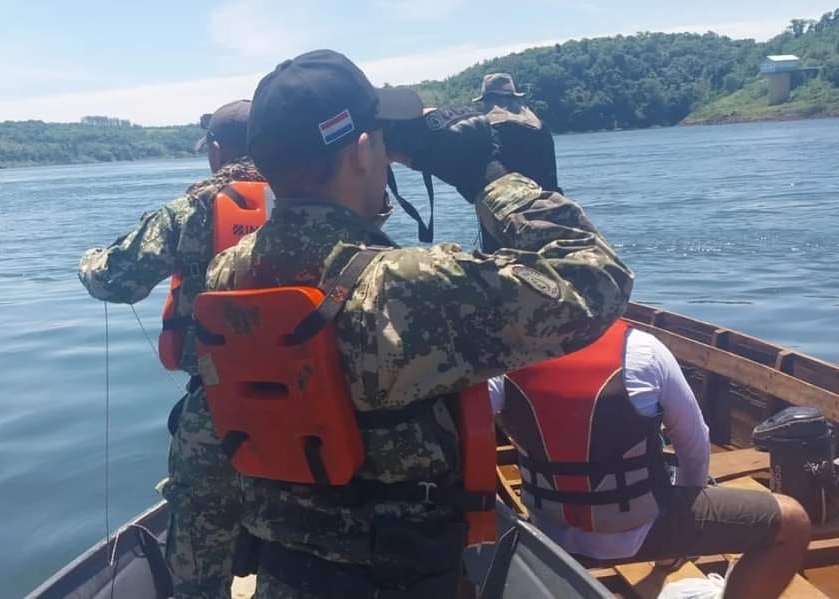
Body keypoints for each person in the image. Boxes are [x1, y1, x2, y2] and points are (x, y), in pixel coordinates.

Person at [196, 49, 634, 599]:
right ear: (364, 152)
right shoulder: (403, 287)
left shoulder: (228, 270)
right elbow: (598, 278)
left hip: (284, 576)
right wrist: (488, 179)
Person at [79, 100, 269, 599]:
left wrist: (89, 260)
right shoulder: (303, 200)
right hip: (313, 406)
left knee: (199, 568)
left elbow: (114, 278)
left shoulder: (194, 210)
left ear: (217, 149)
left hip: (220, 413)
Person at [488, 323, 811, 599]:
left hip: (548, 531)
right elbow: (694, 444)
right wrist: (686, 514)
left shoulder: (500, 360)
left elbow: (468, 435)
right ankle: (670, 562)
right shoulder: (643, 349)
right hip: (644, 531)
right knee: (792, 521)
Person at [473, 73, 560, 193]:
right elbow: (550, 176)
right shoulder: (539, 127)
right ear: (514, 98)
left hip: (512, 201)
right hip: (549, 198)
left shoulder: (491, 131)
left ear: (487, 101)